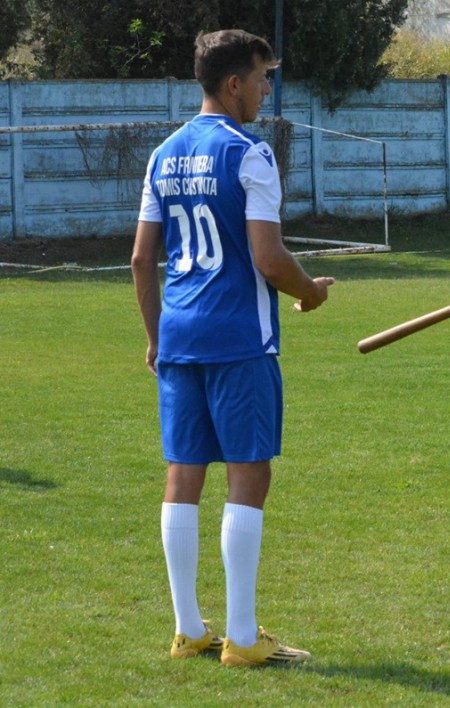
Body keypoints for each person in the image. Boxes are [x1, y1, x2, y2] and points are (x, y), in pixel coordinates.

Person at [132, 29, 334, 665]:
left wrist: (154, 337)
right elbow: (268, 258)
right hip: (239, 337)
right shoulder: (251, 151)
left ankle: (189, 629)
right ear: (233, 84)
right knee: (249, 472)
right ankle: (243, 640)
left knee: (182, 474)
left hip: (181, 336)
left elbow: (142, 259)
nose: (268, 89)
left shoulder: (163, 153)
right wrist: (311, 292)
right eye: (263, 76)